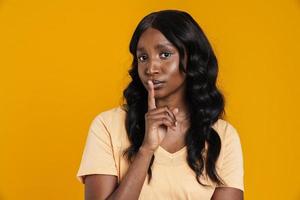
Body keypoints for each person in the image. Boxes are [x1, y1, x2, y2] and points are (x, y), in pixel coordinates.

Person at [76, 10, 244, 200]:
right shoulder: (107, 126)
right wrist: (146, 150)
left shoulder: (223, 138)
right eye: (143, 57)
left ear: (191, 58)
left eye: (164, 54)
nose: (151, 68)